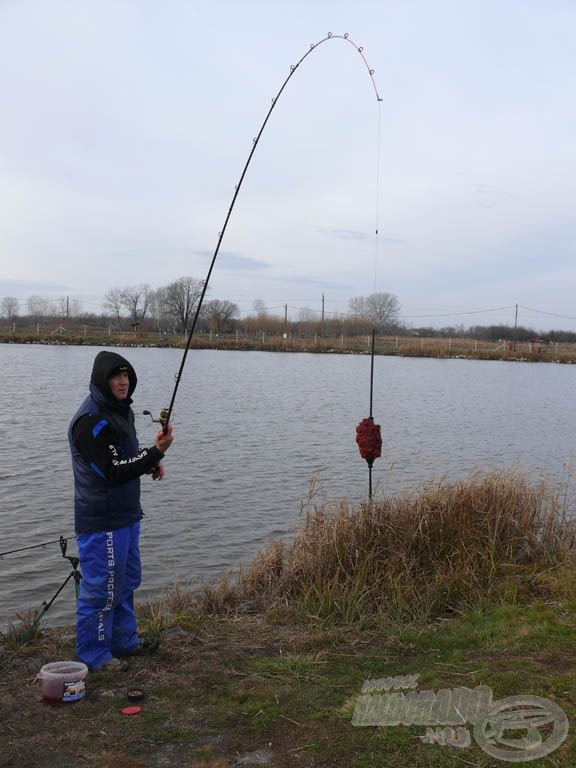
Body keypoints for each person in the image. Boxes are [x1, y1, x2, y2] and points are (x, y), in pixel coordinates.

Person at [68, 350, 174, 672]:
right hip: (101, 522)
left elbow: (126, 459)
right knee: (102, 589)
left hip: (127, 515)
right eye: (116, 376)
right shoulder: (89, 423)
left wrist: (150, 462)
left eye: (126, 375)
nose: (123, 382)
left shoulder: (121, 412)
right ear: (103, 379)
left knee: (126, 581)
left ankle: (124, 642)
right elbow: (112, 469)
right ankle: (93, 655)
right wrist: (153, 453)